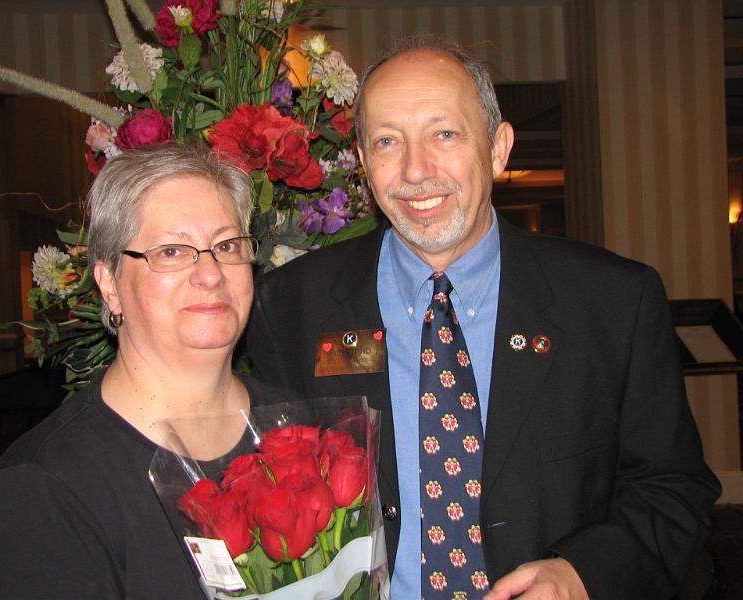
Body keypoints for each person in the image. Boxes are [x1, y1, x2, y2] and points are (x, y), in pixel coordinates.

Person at [246, 39, 721, 599]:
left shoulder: (614, 302)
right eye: (387, 141)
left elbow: (672, 488)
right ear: (364, 163)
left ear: (498, 148)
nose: (415, 170)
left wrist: (582, 573)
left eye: (444, 134)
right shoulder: (291, 306)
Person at [0, 142, 297, 599]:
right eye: (171, 251)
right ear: (110, 284)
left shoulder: (294, 429)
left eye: (227, 245)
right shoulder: (44, 490)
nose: (210, 273)